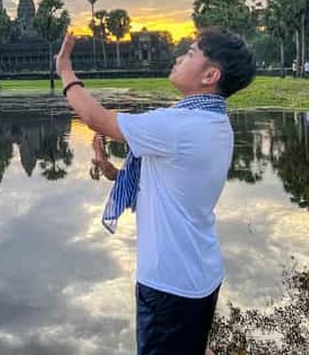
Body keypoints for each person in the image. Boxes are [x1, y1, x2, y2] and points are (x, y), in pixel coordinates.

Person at [55, 26, 256, 355]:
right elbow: (173, 186)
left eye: (190, 53)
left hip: (169, 285)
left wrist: (65, 70)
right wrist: (113, 172)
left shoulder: (180, 126)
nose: (180, 57)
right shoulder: (213, 123)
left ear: (210, 75)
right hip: (199, 273)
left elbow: (95, 118)